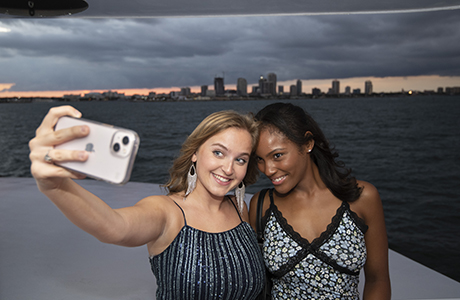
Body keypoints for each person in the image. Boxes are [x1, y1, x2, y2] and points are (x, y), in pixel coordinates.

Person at [29, 105, 265, 300]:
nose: (228, 168)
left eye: (241, 159)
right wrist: (55, 186)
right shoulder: (166, 212)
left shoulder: (239, 207)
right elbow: (115, 227)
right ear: (195, 153)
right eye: (218, 153)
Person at [249, 103, 391, 299]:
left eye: (278, 155)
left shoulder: (362, 198)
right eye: (259, 159)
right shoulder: (261, 205)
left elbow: (378, 280)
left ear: (307, 143)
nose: (268, 170)